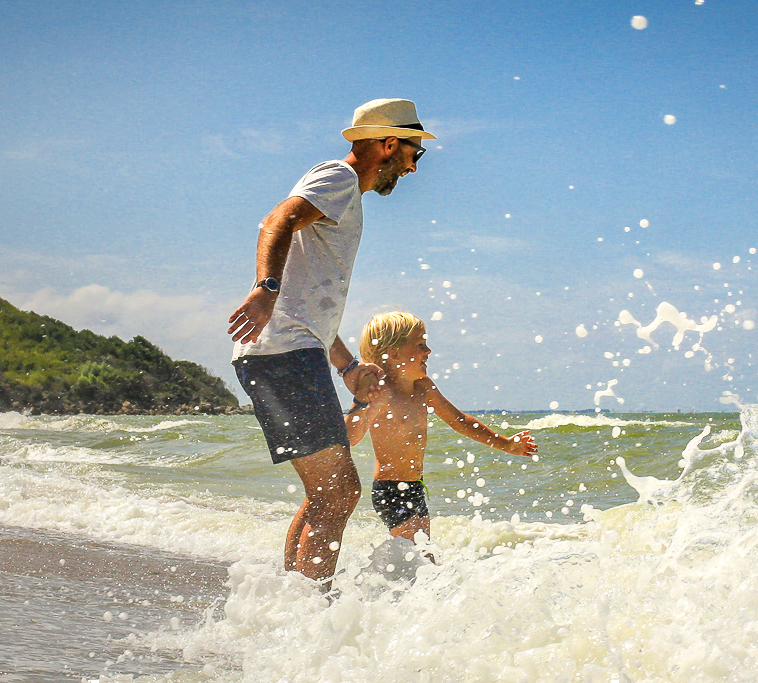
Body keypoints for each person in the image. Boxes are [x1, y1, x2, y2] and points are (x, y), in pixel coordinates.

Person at [225, 98, 432, 585]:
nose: (412, 167)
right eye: (413, 154)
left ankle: (294, 602)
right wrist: (265, 288)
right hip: (284, 354)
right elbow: (277, 220)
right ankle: (310, 610)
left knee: (327, 493)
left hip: (293, 352)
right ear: (387, 144)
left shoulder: (345, 199)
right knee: (338, 493)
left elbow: (310, 303)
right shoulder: (338, 179)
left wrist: (345, 365)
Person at [346, 312, 537, 546]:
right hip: (391, 490)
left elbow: (459, 420)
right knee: (421, 556)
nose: (428, 352)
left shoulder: (424, 388)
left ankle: (382, 580)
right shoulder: (382, 393)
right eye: (420, 345)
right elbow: (351, 437)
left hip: (416, 487)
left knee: (417, 558)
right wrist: (361, 402)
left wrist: (505, 444)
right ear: (394, 353)